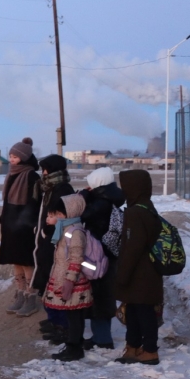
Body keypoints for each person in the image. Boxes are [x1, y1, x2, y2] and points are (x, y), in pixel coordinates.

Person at [114, 170, 164, 365]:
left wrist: (122, 275)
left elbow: (132, 247)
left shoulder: (135, 212)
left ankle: (150, 350)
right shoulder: (147, 207)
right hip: (146, 271)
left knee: (143, 312)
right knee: (134, 309)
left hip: (140, 273)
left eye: (125, 186)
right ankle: (133, 347)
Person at [42, 194, 94, 361]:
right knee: (74, 315)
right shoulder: (66, 229)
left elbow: (76, 258)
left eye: (59, 213)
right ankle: (74, 344)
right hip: (65, 277)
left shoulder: (74, 232)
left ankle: (74, 347)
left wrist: (69, 280)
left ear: (69, 213)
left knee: (75, 316)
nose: (56, 217)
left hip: (72, 280)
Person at [80, 167, 125, 350]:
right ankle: (100, 336)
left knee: (98, 297)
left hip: (97, 255)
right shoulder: (110, 199)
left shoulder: (100, 203)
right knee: (103, 296)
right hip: (108, 254)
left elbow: (83, 215)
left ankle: (103, 339)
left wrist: (84, 196)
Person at [29, 154, 75, 329]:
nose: (43, 172)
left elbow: (63, 216)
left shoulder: (62, 188)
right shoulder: (48, 187)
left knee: (54, 279)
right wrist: (38, 228)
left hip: (55, 242)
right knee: (47, 278)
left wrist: (47, 232)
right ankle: (54, 318)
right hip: (46, 239)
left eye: (45, 169)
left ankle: (60, 323)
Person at [0, 138, 41, 315]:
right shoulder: (12, 173)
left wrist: (30, 223)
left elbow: (35, 203)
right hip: (10, 224)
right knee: (15, 260)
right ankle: (20, 294)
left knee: (26, 261)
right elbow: (7, 200)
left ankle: (31, 297)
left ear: (23, 157)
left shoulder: (31, 176)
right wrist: (4, 218)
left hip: (25, 226)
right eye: (10, 155)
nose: (11, 159)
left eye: (15, 156)